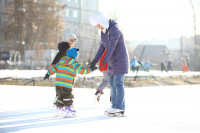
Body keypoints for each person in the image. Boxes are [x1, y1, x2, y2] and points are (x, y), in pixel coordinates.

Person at [89, 12, 129, 114]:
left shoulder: (114, 30)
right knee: (111, 83)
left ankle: (120, 107)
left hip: (120, 60)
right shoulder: (104, 31)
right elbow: (102, 47)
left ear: (102, 21)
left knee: (118, 83)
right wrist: (95, 60)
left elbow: (112, 47)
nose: (98, 27)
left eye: (98, 25)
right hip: (112, 61)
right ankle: (114, 106)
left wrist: (104, 60)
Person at [44, 48, 96, 118]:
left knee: (60, 97)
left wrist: (48, 74)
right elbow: (82, 70)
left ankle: (59, 110)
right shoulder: (74, 63)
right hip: (67, 84)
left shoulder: (61, 61)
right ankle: (68, 110)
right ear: (75, 56)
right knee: (68, 96)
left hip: (58, 84)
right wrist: (90, 69)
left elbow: (54, 68)